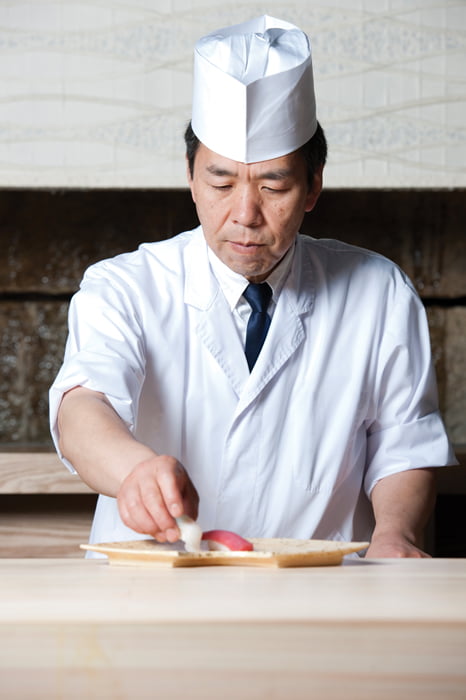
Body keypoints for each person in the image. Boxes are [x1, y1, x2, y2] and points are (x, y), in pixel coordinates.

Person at [50, 15, 456, 558]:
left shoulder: (379, 292)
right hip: (150, 593)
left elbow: (405, 444)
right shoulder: (124, 286)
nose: (245, 214)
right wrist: (136, 472)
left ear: (313, 186)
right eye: (221, 182)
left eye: (274, 185)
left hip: (322, 591)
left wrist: (394, 534)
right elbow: (82, 407)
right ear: (191, 178)